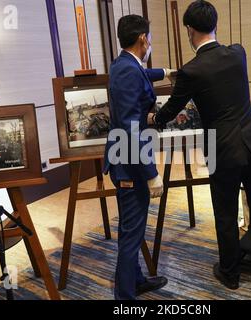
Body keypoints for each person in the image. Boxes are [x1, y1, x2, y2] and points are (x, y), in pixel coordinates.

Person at [149, 0, 251, 295]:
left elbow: (170, 111)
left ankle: (230, 273)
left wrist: (153, 117)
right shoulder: (238, 53)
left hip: (221, 151)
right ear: (215, 24)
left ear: (190, 30)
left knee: (226, 212)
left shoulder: (192, 71)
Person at [103, 14, 175, 300]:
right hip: (130, 166)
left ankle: (136, 281)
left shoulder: (125, 65)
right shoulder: (127, 71)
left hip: (127, 159)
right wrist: (151, 174)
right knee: (131, 235)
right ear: (143, 38)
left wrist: (166, 72)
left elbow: (141, 75)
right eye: (150, 38)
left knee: (132, 229)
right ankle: (125, 297)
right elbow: (130, 129)